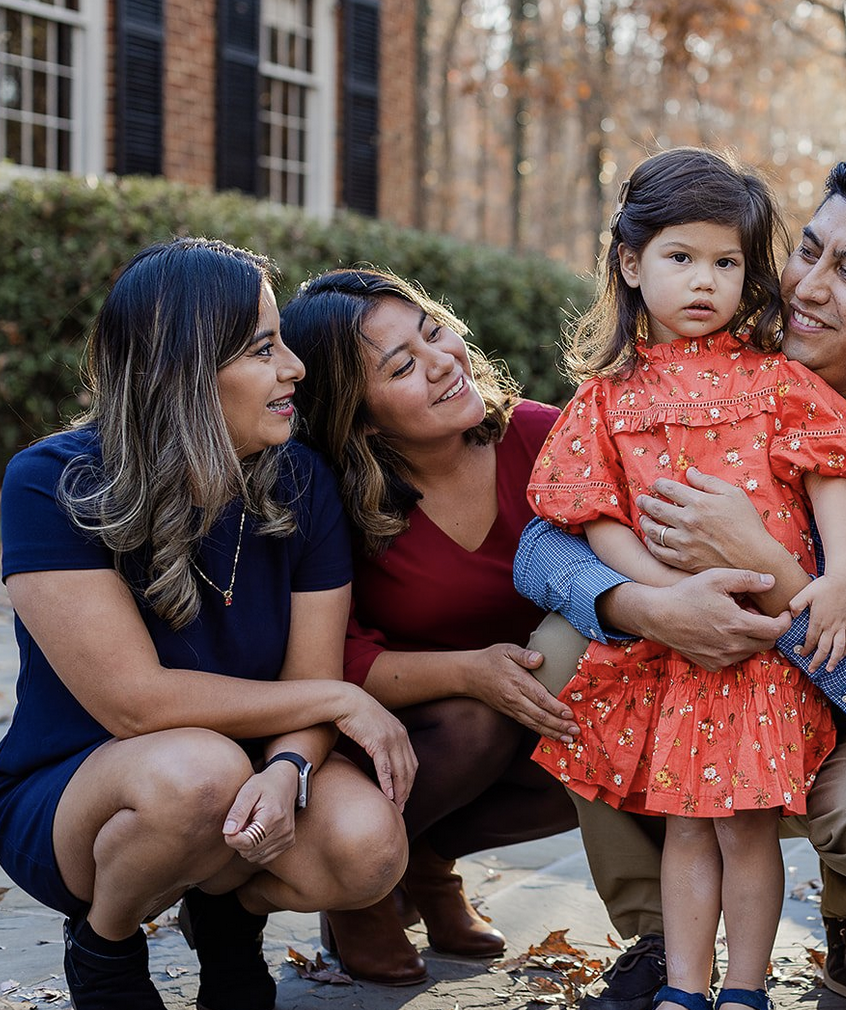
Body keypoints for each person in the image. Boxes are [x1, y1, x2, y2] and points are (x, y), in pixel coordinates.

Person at [514, 153, 846, 1007]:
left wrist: (769, 572)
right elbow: (545, 546)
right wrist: (653, 607)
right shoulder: (694, 356)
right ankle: (665, 941)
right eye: (805, 250)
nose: (806, 286)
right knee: (559, 652)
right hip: (684, 669)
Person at [0, 238, 416, 1010]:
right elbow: (136, 704)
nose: (294, 368)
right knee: (199, 772)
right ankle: (107, 945)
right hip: (81, 797)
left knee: (367, 849)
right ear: (183, 371)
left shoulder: (300, 478)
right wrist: (341, 701)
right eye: (264, 349)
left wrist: (290, 769)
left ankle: (225, 917)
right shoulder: (49, 484)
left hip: (244, 775)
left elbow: (310, 682)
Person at [280, 268, 581, 984]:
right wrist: (468, 672)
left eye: (433, 331)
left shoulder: (544, 437)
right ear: (360, 415)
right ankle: (359, 891)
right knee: (477, 718)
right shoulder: (330, 493)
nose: (444, 361)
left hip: (527, 695)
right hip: (387, 729)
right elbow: (327, 659)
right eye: (403, 366)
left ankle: (424, 866)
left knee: (592, 748)